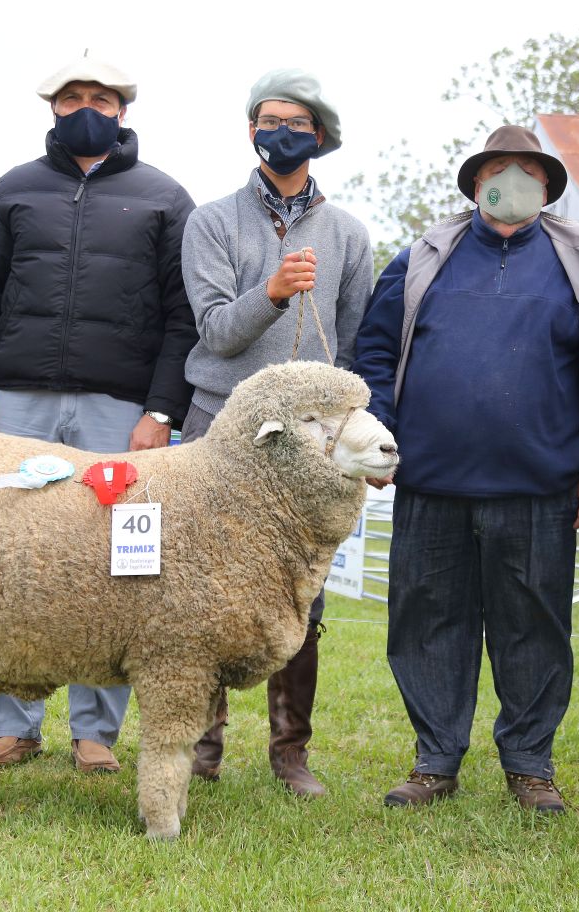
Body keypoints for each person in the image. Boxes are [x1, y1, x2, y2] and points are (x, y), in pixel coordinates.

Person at [0, 57, 196, 774]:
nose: (87, 108)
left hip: (121, 410)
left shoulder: (165, 198)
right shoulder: (12, 190)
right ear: (52, 107)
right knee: (4, 558)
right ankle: (11, 725)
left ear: (123, 110)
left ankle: (96, 733)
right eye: (73, 97)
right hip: (15, 403)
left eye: (101, 98)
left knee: (117, 565)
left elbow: (184, 316)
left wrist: (161, 410)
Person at [351, 126, 579, 813]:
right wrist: (378, 438)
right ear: (476, 183)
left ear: (548, 189)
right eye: (499, 170)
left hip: (539, 488)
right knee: (426, 623)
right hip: (430, 483)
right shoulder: (420, 259)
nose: (513, 182)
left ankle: (530, 766)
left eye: (529, 171)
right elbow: (375, 353)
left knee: (534, 627)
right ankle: (435, 761)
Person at [179, 68, 371, 797]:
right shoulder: (211, 222)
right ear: (251, 130)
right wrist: (273, 292)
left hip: (308, 440)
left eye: (295, 123)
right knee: (201, 585)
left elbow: (349, 349)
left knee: (301, 589)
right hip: (219, 422)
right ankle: (201, 743)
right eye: (268, 121)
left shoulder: (348, 234)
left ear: (317, 136)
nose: (280, 133)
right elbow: (216, 331)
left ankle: (290, 751)